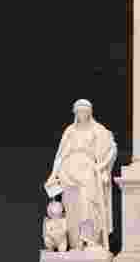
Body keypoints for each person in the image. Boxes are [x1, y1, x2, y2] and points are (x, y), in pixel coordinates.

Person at [44, 100, 117, 251]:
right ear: (75, 113)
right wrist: (53, 175)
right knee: (72, 206)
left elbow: (112, 148)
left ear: (90, 112)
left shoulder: (98, 130)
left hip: (88, 169)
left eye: (85, 111)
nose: (82, 114)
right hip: (68, 171)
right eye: (79, 111)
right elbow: (60, 156)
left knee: (89, 203)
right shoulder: (70, 131)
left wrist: (103, 168)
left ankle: (90, 239)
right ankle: (75, 242)